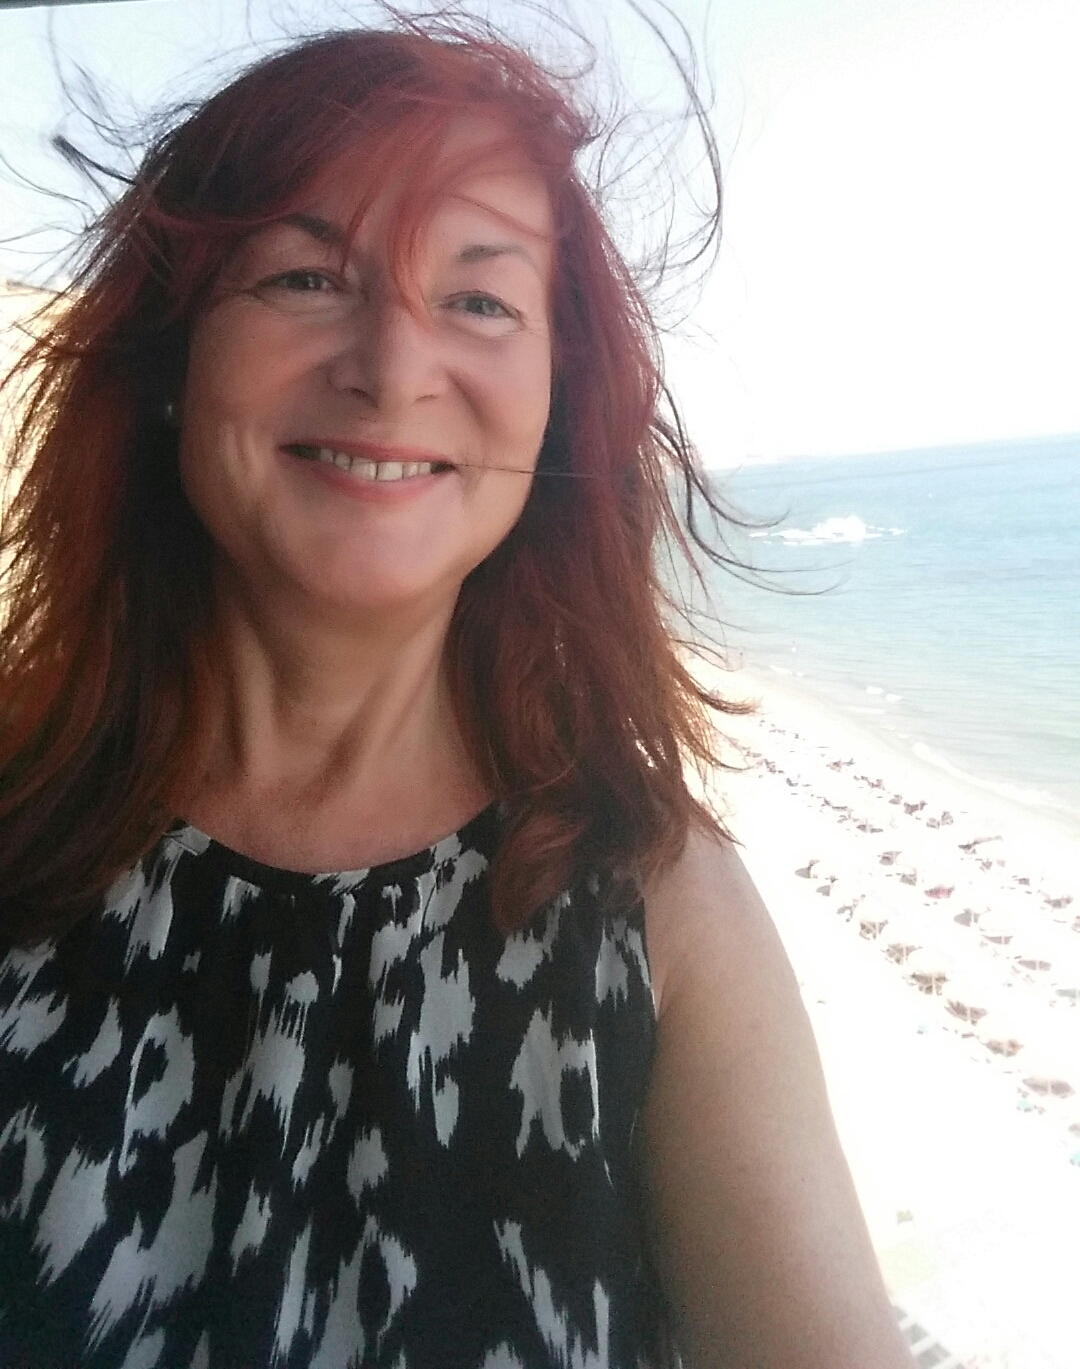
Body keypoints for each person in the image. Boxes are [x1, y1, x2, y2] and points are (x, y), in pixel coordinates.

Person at [0, 17, 916, 1369]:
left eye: (480, 300)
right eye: (304, 276)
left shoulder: (657, 909)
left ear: (554, 402)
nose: (391, 367)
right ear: (170, 363)